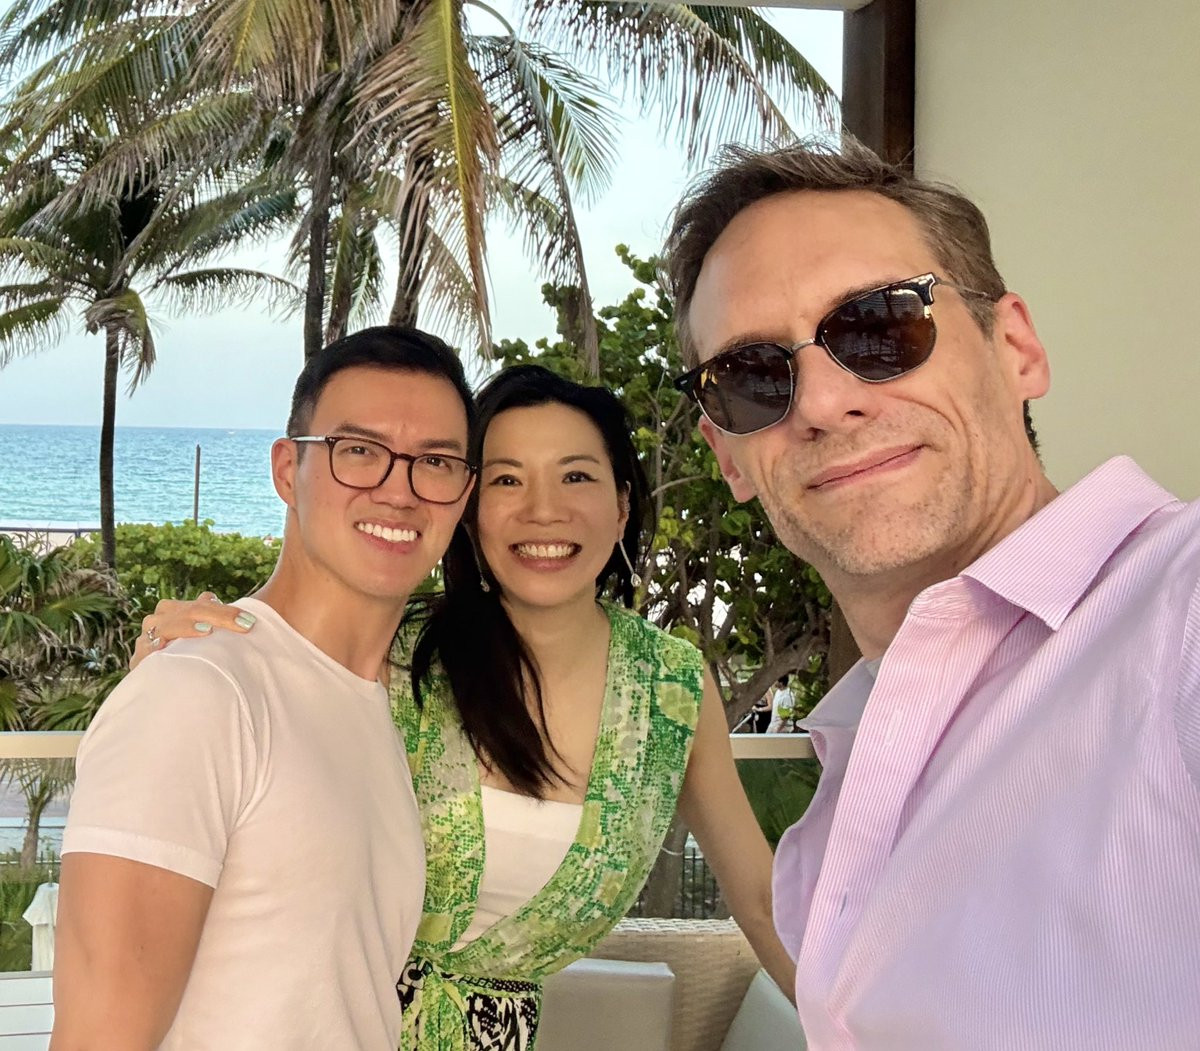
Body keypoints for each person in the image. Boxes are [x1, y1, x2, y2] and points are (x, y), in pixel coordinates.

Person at [665, 138, 1200, 1049]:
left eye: (878, 327)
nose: (822, 402)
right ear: (730, 459)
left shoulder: (1176, 610)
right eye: (753, 378)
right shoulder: (853, 772)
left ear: (1015, 347)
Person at [132, 364, 795, 1050]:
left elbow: (759, 898)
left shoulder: (671, 691)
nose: (543, 510)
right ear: (468, 510)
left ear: (622, 504)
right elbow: (240, 700)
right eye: (507, 480)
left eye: (575, 476)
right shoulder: (392, 651)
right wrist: (173, 648)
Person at [52, 328, 476, 1050]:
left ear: (462, 493)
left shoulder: (373, 705)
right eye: (359, 451)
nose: (399, 490)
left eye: (434, 462)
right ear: (287, 469)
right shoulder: (199, 691)